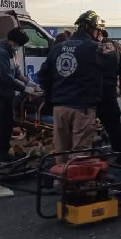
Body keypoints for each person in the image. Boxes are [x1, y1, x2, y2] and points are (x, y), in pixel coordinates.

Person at [39, 11, 116, 162]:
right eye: (98, 30)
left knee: (60, 151)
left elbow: (43, 76)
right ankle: (76, 184)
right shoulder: (95, 48)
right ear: (92, 28)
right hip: (82, 109)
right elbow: (111, 64)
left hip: (60, 108)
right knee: (80, 154)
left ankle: (60, 181)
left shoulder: (58, 48)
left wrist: (54, 95)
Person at [0, 28, 32, 165]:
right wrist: (24, 88)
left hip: (5, 92)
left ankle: (3, 154)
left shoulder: (11, 52)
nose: (19, 48)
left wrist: (31, 84)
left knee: (7, 123)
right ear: (12, 41)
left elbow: (17, 73)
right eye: (19, 44)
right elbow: (5, 77)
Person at [98, 29, 121, 159]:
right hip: (108, 93)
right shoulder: (116, 48)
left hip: (88, 94)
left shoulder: (87, 47)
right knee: (114, 129)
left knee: (85, 131)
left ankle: (91, 160)